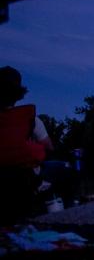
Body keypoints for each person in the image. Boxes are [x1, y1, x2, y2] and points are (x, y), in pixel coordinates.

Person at [0, 66, 54, 222]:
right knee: (59, 167)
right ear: (17, 95)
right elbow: (49, 149)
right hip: (22, 185)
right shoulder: (31, 121)